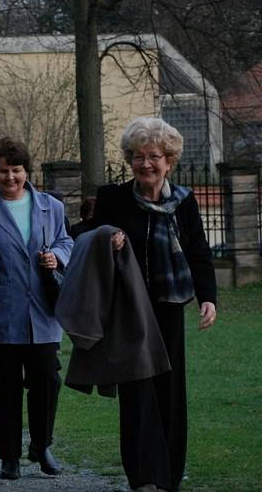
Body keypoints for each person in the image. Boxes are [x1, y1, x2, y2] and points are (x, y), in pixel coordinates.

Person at [92, 117, 217, 492]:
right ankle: (142, 476)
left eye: (154, 157)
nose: (145, 164)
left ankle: (170, 474)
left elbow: (198, 251)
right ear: (130, 160)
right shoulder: (112, 198)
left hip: (169, 306)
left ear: (169, 161)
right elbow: (83, 235)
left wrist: (208, 297)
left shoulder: (184, 201)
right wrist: (105, 236)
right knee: (136, 392)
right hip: (128, 309)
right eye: (138, 157)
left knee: (170, 390)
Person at [0, 137, 73, 481]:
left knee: (47, 382)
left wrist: (58, 257)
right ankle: (9, 456)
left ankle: (42, 446)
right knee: (4, 390)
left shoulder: (52, 207)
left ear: (27, 171)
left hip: (42, 314)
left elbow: (67, 241)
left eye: (16, 171)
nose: (10, 178)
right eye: (3, 171)